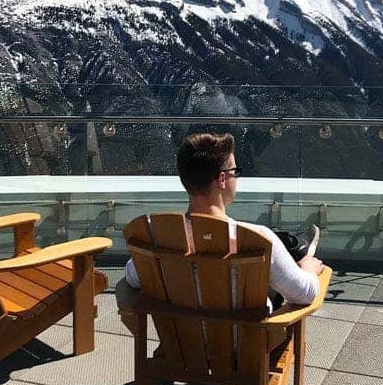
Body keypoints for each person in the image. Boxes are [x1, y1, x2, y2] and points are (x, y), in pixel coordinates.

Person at [117, 132, 324, 328]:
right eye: (236, 172)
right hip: (245, 351)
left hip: (181, 347)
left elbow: (132, 277)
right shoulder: (259, 238)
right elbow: (305, 294)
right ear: (222, 179)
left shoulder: (157, 235)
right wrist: (308, 269)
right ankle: (297, 252)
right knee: (276, 283)